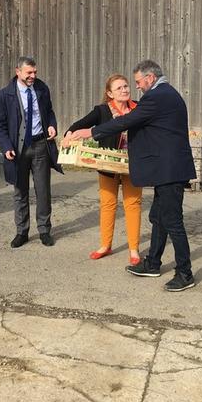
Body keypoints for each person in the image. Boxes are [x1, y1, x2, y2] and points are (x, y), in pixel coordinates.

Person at [70, 60, 196, 292]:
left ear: (149, 78)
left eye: (138, 82)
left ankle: (185, 273)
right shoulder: (165, 93)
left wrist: (91, 132)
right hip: (165, 169)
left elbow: (128, 121)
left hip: (170, 170)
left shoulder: (157, 96)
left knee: (173, 221)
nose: (136, 87)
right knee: (158, 217)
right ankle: (153, 264)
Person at [62, 74, 142, 265]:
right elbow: (79, 125)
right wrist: (67, 135)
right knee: (108, 204)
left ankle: (134, 250)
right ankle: (105, 245)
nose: (124, 90)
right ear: (109, 93)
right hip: (107, 166)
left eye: (126, 86)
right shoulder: (102, 111)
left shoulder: (139, 108)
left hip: (133, 165)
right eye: (119, 88)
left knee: (133, 205)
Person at [0, 56, 62, 248]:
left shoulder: (42, 89)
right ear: (18, 72)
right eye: (29, 73)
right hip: (17, 150)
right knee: (20, 191)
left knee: (43, 191)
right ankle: (21, 232)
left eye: (35, 72)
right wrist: (6, 147)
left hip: (41, 145)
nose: (33, 76)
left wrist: (51, 126)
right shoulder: (4, 95)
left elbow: (49, 112)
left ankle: (44, 230)